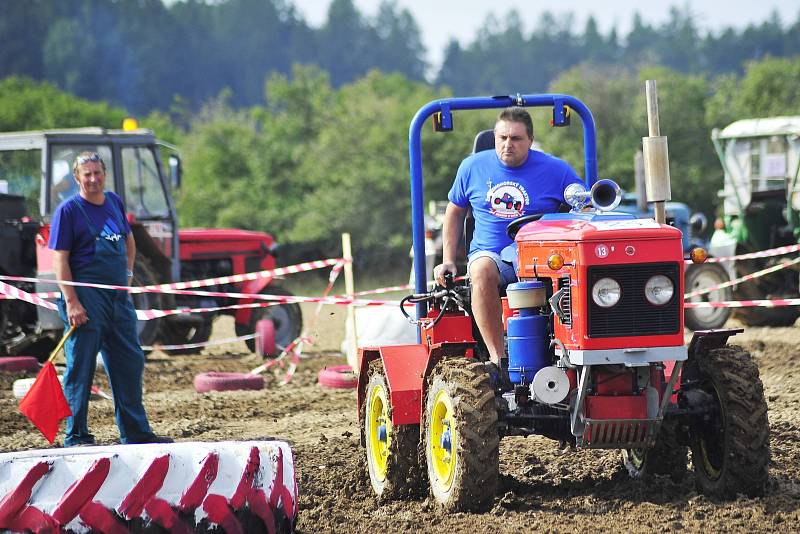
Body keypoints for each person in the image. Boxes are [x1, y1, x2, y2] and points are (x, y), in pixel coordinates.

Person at [433, 107, 583, 386]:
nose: (507, 144)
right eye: (502, 137)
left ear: (530, 140)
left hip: (542, 257)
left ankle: (575, 353)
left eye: (515, 138)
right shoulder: (472, 167)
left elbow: (583, 204)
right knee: (480, 271)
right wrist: (449, 259)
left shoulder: (556, 169)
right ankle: (497, 359)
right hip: (492, 255)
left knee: (578, 276)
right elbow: (454, 212)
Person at [48, 151, 172, 446]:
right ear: (77, 177)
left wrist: (128, 276)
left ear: (104, 174)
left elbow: (128, 240)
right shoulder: (69, 211)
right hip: (86, 298)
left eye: (97, 173)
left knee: (130, 361)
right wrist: (72, 301)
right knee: (81, 366)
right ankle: (76, 435)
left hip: (118, 299)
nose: (93, 178)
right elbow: (59, 260)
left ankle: (136, 432)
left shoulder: (114, 202)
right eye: (86, 174)